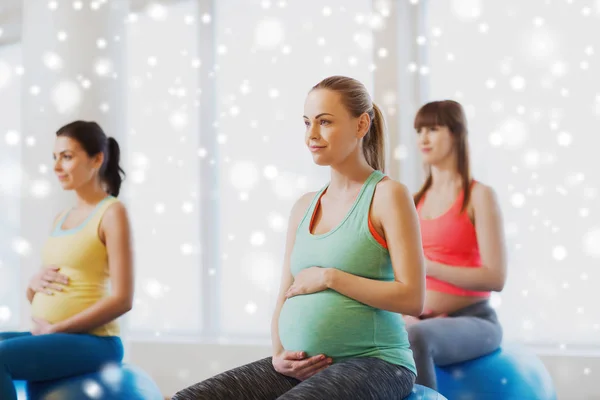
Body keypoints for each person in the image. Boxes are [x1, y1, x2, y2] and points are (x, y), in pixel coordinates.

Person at [173, 76, 426, 400]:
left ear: (361, 124)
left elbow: (413, 297)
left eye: (325, 122)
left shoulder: (388, 196)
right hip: (302, 367)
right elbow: (284, 294)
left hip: (377, 363)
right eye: (307, 123)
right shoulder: (304, 206)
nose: (312, 135)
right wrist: (279, 354)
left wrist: (330, 278)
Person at [0, 121, 134, 400]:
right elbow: (56, 284)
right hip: (55, 334)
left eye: (67, 156)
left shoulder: (111, 213)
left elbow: (123, 299)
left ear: (97, 159)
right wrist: (32, 285)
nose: (56, 167)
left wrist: (57, 329)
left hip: (95, 341)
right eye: (55, 157)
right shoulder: (60, 218)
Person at [405, 100, 507, 389]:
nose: (423, 138)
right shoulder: (413, 201)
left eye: (433, 129)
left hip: (475, 320)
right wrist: (405, 314)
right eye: (419, 130)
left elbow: (495, 277)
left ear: (456, 134)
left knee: (417, 338)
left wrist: (428, 267)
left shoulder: (479, 196)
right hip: (419, 318)